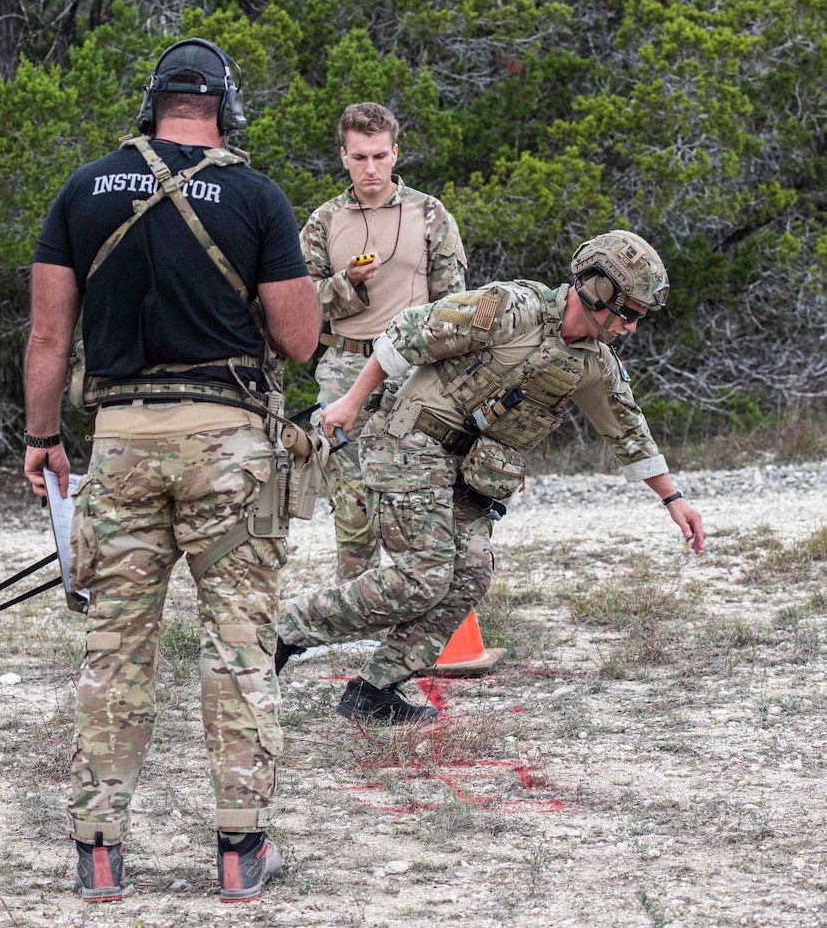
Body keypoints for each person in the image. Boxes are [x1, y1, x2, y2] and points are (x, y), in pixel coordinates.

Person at [23, 38, 319, 903]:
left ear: (149, 105)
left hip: (118, 444)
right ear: (224, 110)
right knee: (237, 648)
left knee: (115, 648)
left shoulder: (82, 189)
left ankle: (100, 852)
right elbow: (299, 340)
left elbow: (48, 335)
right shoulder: (256, 195)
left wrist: (44, 435)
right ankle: (238, 851)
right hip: (229, 447)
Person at [273, 231, 705, 724]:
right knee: (422, 576)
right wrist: (350, 401)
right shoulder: (508, 309)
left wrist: (675, 499)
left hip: (468, 470)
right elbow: (406, 335)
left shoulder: (593, 363)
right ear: (599, 290)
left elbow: (628, 430)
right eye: (628, 312)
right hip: (410, 440)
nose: (630, 327)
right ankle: (284, 632)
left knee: (469, 574)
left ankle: (374, 690)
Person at [301, 102, 467, 579]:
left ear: (395, 153)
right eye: (358, 157)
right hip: (345, 364)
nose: (369, 168)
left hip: (413, 371)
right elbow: (298, 304)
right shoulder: (324, 221)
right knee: (349, 493)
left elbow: (454, 306)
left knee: (416, 487)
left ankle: (417, 595)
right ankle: (354, 602)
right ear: (343, 157)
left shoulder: (430, 215)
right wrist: (346, 284)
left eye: (378, 156)